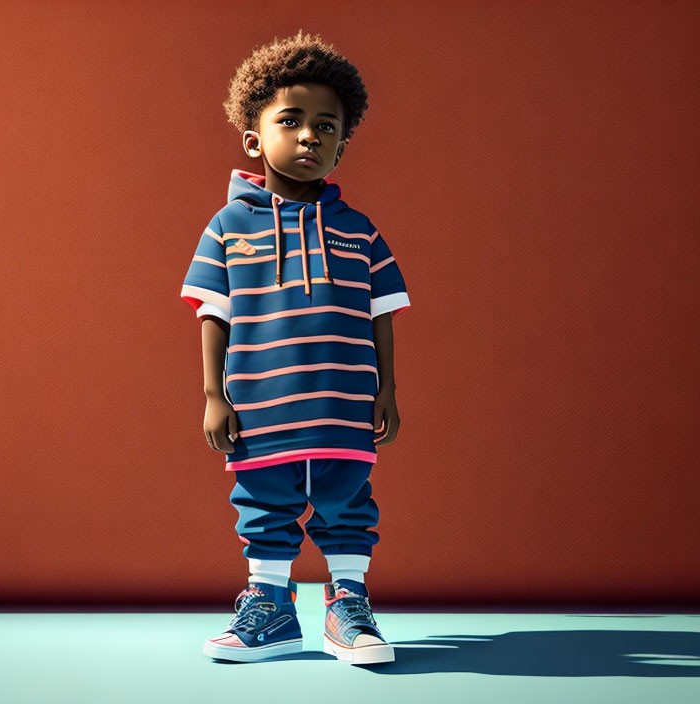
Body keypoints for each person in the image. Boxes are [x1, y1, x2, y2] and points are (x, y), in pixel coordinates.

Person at [180, 30, 410, 665]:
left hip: (342, 407)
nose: (310, 136)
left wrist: (387, 389)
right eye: (292, 121)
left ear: (341, 144)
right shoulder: (227, 229)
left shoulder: (360, 231)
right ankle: (271, 612)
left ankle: (349, 608)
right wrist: (212, 397)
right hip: (260, 407)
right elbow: (212, 315)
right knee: (264, 506)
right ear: (255, 139)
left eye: (327, 127)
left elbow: (381, 313)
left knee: (347, 503)